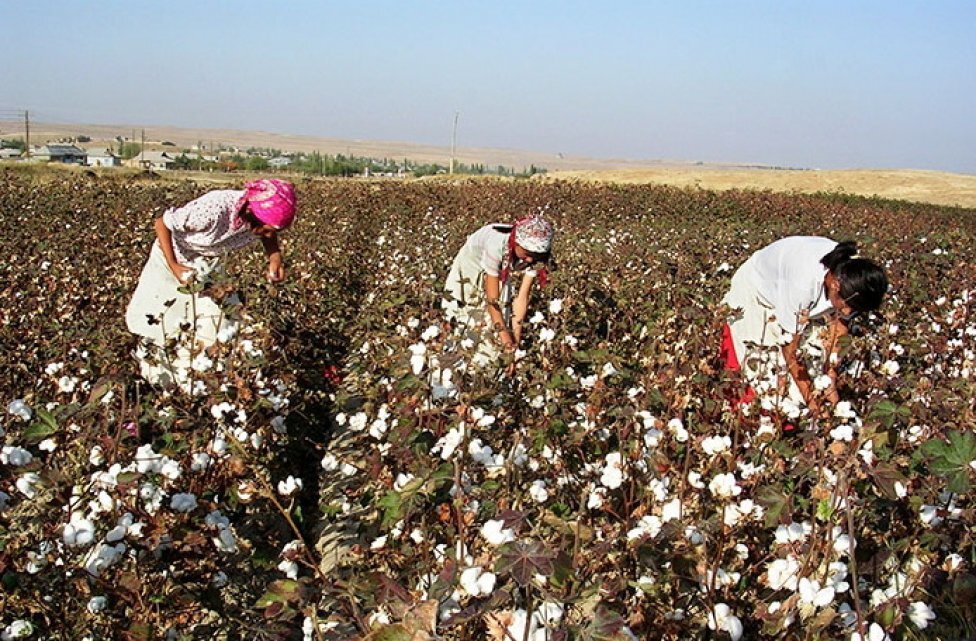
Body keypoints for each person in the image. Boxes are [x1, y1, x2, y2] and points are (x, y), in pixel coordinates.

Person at [125, 179, 296, 383]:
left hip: (206, 264)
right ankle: (156, 376)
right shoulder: (213, 210)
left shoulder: (255, 216)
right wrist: (174, 265)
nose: (268, 235)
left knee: (221, 320)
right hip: (169, 260)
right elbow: (161, 223)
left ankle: (201, 375)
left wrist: (274, 258)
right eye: (267, 229)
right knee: (160, 321)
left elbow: (269, 235)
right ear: (253, 213)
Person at [720, 237, 888, 416]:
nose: (848, 312)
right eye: (847, 305)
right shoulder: (803, 285)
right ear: (835, 284)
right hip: (757, 290)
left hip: (796, 293)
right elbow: (790, 352)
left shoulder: (853, 275)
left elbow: (840, 326)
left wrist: (830, 378)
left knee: (811, 364)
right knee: (761, 371)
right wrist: (813, 403)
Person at [443, 215, 555, 355]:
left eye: (536, 255)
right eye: (527, 253)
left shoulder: (538, 256)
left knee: (499, 325)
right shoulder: (496, 245)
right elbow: (492, 302)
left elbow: (522, 299)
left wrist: (515, 343)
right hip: (470, 266)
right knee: (461, 315)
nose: (530, 259)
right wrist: (507, 342)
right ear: (516, 243)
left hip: (502, 266)